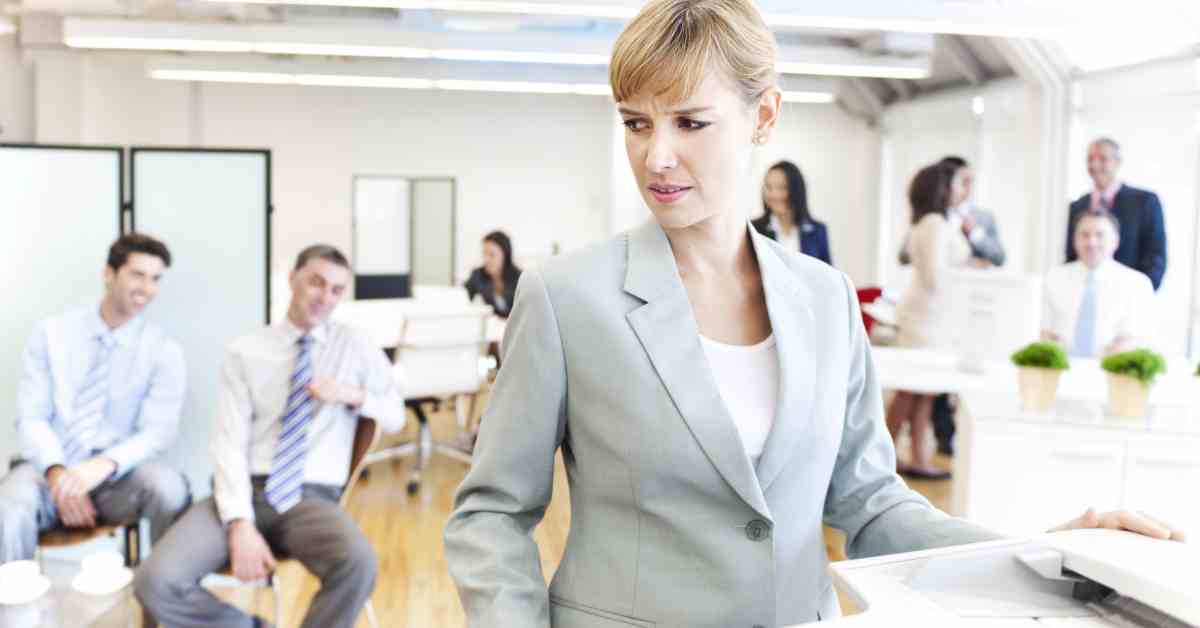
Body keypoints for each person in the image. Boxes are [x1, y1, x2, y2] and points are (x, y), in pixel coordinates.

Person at [443, 2, 1184, 627]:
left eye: (690, 123)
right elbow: (491, 514)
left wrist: (1039, 551)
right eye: (637, 124)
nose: (656, 157)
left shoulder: (826, 299)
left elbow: (870, 504)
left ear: (762, 115)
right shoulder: (568, 297)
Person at [135, 245, 406, 628]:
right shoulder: (246, 350)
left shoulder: (354, 344)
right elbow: (227, 442)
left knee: (359, 563)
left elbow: (395, 414)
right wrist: (240, 523)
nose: (325, 297)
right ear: (292, 278)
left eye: (336, 289)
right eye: (316, 282)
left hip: (311, 498)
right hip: (239, 491)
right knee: (155, 580)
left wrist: (352, 394)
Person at [0, 233, 190, 563]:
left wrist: (98, 468)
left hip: (116, 477)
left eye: (156, 279)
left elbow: (157, 433)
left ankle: (166, 603)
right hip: (47, 471)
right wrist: (60, 475)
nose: (148, 289)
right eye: (137, 275)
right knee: (9, 507)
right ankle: (15, 610)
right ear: (109, 274)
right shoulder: (52, 334)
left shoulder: (164, 351)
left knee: (169, 488)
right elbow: (32, 417)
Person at [889, 164, 971, 480]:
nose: (962, 190)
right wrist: (968, 275)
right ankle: (880, 457)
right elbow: (937, 278)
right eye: (957, 184)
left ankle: (920, 458)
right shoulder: (935, 223)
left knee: (924, 391)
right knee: (910, 390)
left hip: (930, 317)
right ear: (942, 188)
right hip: (925, 318)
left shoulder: (930, 221)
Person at [1044, 211, 1155, 357]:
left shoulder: (1138, 284)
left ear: (1116, 241)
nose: (1091, 242)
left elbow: (1133, 339)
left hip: (1115, 371)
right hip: (1056, 368)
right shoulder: (1052, 278)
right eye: (1084, 235)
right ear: (1074, 240)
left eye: (1100, 235)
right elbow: (1042, 331)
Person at [1066, 138, 1166, 290]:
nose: (1094, 165)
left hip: (1127, 296)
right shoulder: (1077, 206)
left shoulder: (1145, 202)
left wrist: (1141, 294)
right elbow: (1071, 256)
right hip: (1085, 294)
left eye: (1103, 158)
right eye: (1090, 159)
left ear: (1117, 162)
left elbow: (1155, 257)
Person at [900, 155, 1005, 268]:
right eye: (963, 182)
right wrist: (973, 264)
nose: (967, 188)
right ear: (944, 184)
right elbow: (905, 256)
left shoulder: (984, 217)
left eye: (970, 181)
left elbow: (999, 258)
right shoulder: (930, 217)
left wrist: (975, 233)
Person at [751, 160, 833, 265]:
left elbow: (829, 276)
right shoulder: (754, 230)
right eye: (769, 187)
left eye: (782, 188)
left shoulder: (818, 231)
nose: (774, 194)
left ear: (796, 190)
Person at [464, 231, 523, 318]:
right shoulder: (478, 275)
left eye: (492, 255)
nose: (486, 260)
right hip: (493, 327)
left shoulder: (520, 278)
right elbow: (462, 296)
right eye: (484, 254)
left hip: (516, 328)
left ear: (505, 255)